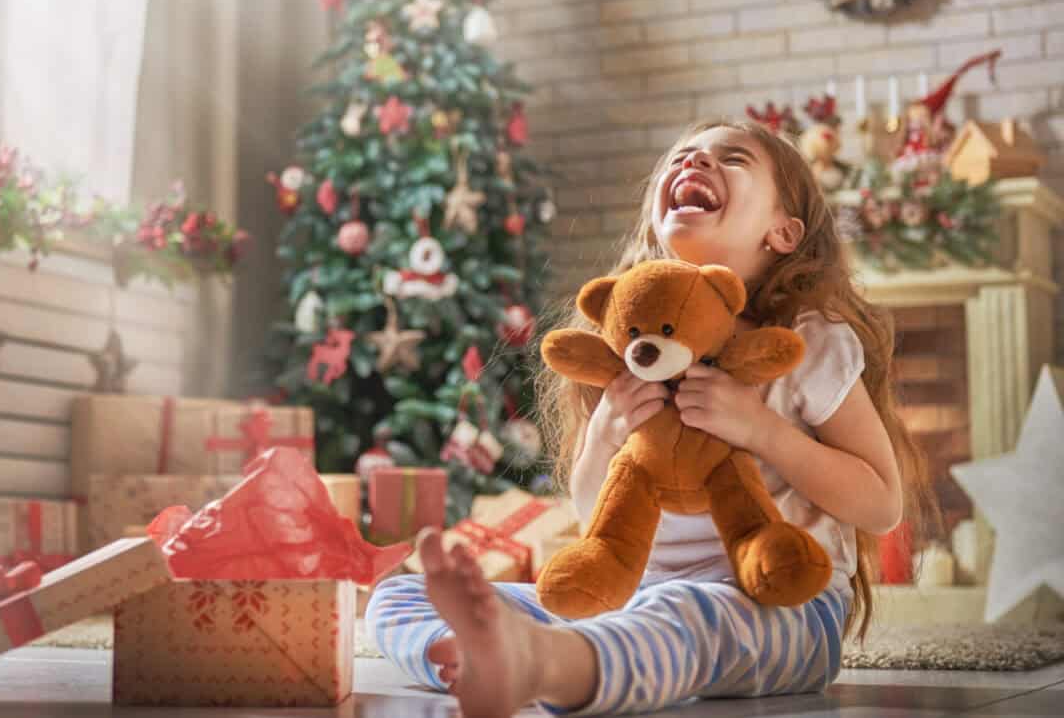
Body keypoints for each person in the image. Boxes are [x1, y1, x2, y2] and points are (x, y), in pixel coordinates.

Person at [366, 118, 937, 717]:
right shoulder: (628, 352)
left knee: (682, 616)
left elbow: (881, 504)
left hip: (779, 606)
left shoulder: (804, 342)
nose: (694, 162)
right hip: (635, 599)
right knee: (400, 596)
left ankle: (543, 665)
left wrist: (759, 429)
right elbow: (595, 509)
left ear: (783, 231)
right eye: (682, 156)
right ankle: (473, 654)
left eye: (733, 158)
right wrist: (605, 434)